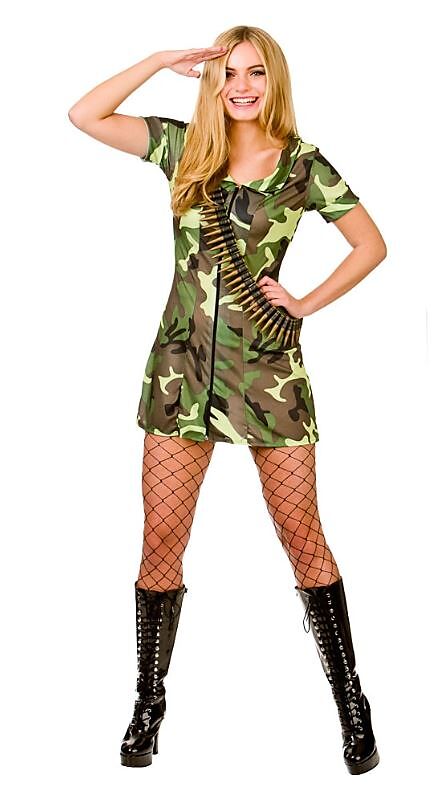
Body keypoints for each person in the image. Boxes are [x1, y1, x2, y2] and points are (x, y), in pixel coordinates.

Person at [68, 25, 386, 774]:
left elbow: (371, 245)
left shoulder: (302, 165)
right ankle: (148, 701)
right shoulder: (185, 149)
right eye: (230, 73)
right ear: (213, 81)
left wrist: (304, 302)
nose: (242, 86)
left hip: (268, 374)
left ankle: (352, 702)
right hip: (180, 372)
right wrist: (159, 61)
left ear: (274, 81)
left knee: (303, 537)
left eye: (255, 72)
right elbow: (85, 115)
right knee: (160, 542)